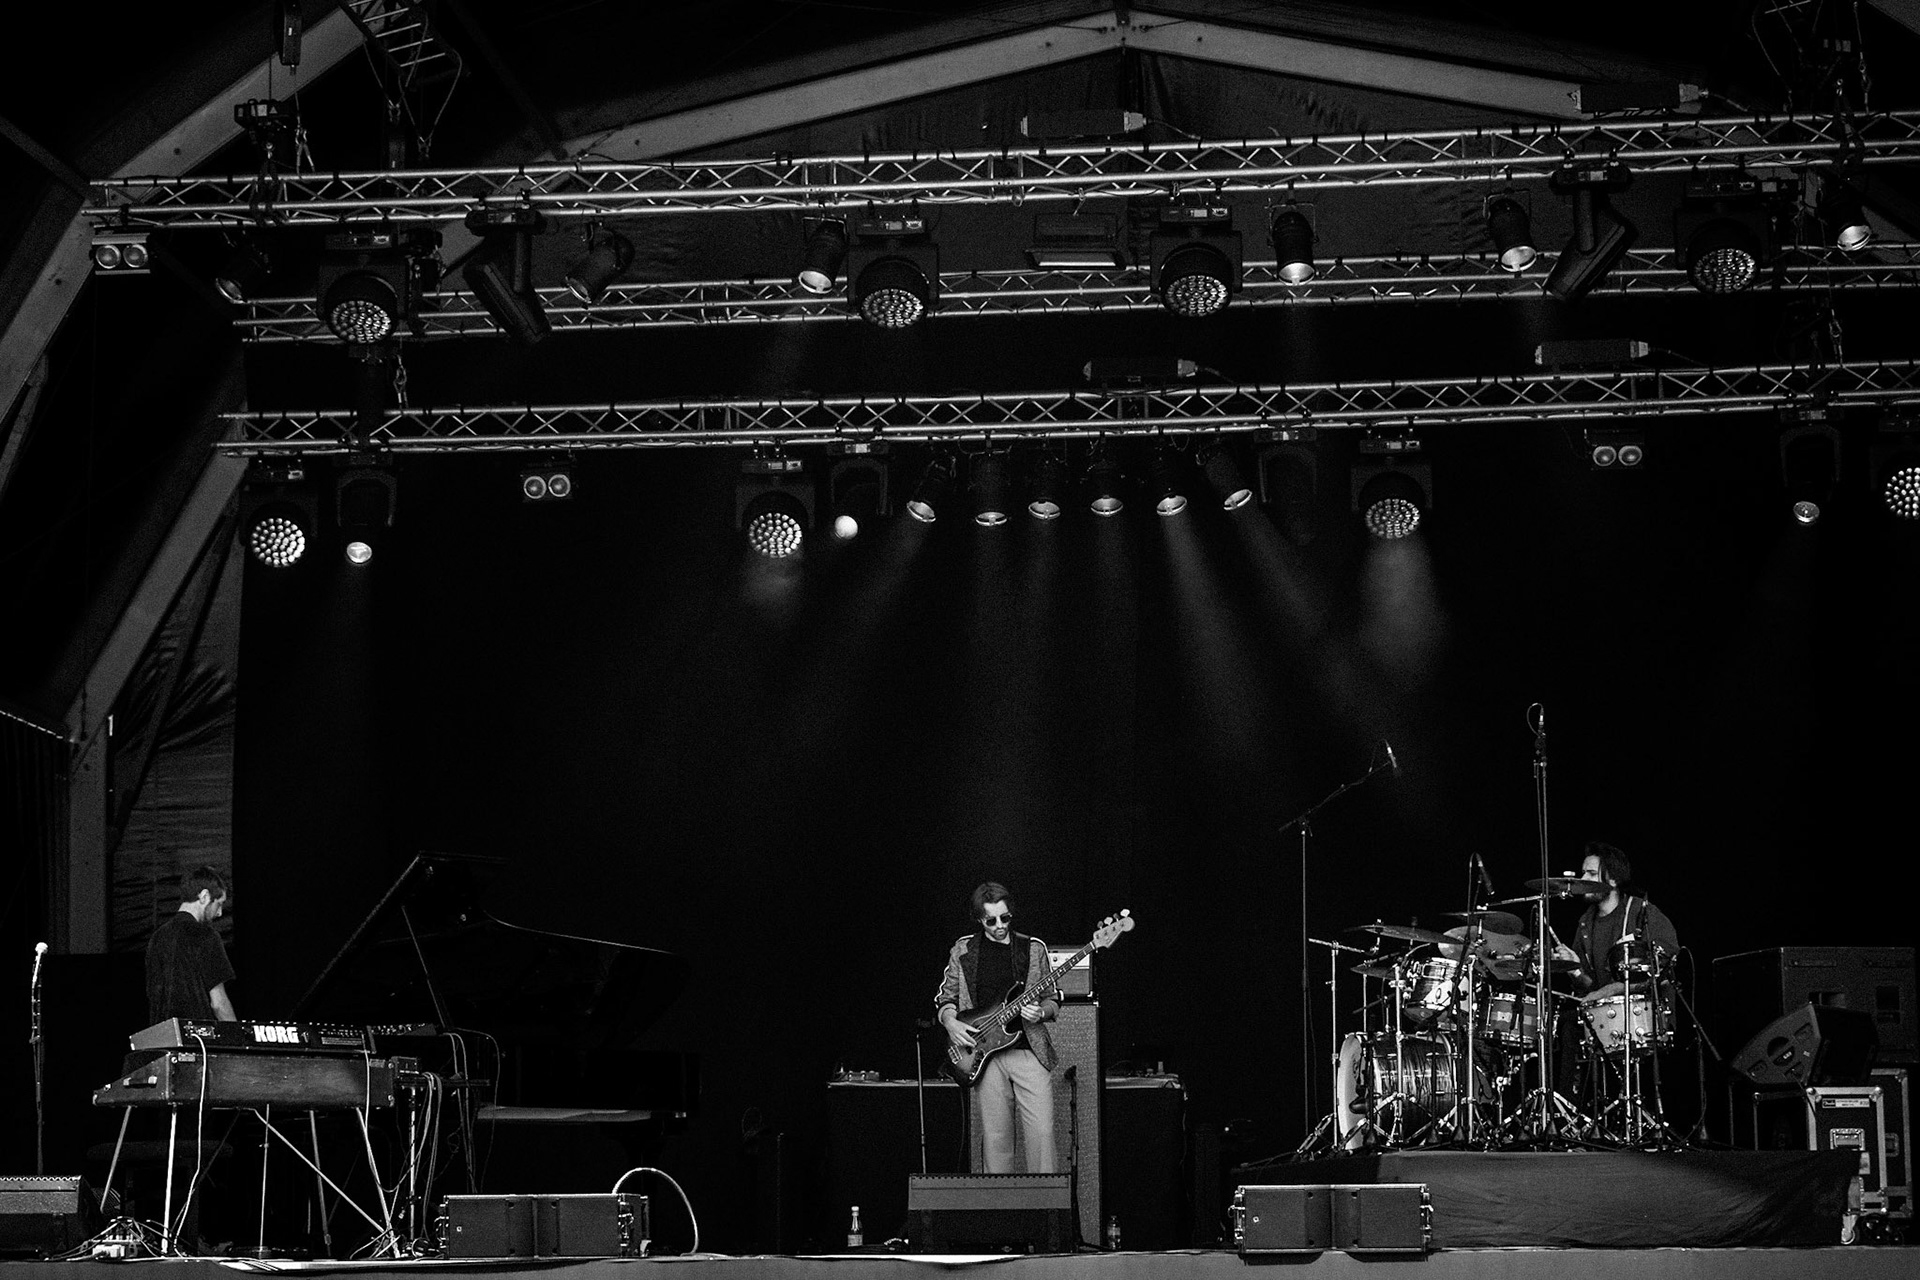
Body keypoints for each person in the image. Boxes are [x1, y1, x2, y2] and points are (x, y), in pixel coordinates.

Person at [933, 882, 1060, 1174]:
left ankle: (1047, 1215)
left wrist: (1041, 1011)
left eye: (1005, 918)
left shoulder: (1032, 948)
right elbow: (946, 998)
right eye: (991, 920)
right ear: (979, 918)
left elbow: (1052, 998)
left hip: (1029, 1050)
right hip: (984, 1055)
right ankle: (1001, 1216)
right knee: (996, 1141)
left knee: (1042, 1135)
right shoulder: (964, 949)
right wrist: (950, 1022)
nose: (1000, 925)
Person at [146, 865, 237, 1024]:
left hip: (162, 1040)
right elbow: (219, 1003)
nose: (219, 913)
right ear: (204, 896)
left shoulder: (157, 938)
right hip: (198, 1041)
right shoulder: (206, 935)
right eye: (219, 904)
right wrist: (238, 1039)